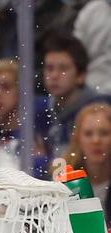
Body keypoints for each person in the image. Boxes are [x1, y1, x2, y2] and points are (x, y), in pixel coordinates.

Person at [40, 33, 107, 164]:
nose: (54, 75)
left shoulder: (100, 109)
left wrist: (43, 161)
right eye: (49, 68)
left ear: (81, 75)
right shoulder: (42, 110)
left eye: (63, 69)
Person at [62, 101, 111, 229]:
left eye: (104, 133)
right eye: (88, 134)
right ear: (78, 139)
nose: (96, 140)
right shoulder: (64, 182)